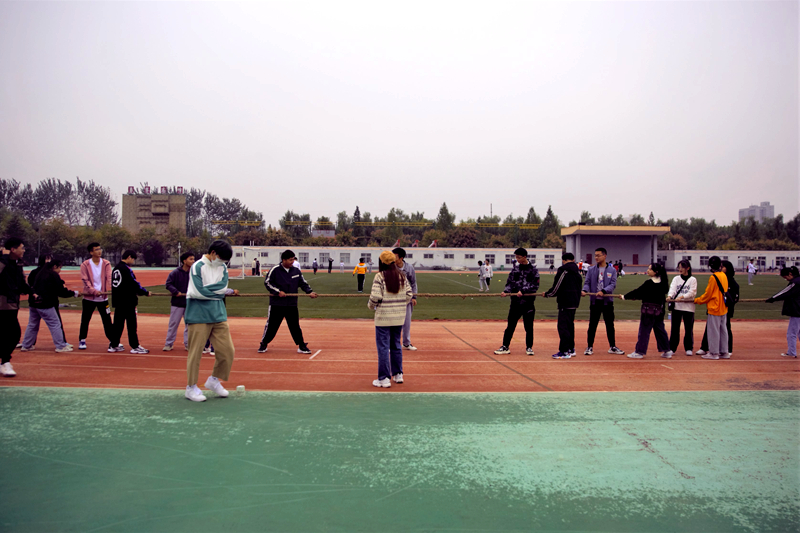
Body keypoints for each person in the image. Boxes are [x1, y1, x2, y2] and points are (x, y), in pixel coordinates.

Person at [184, 240, 240, 402]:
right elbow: (197, 292)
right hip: (198, 314)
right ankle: (191, 387)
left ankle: (214, 380)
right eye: (221, 258)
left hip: (218, 313)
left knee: (227, 351)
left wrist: (214, 290)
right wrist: (220, 292)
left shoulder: (223, 268)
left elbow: (222, 286)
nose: (223, 262)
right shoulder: (197, 266)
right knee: (195, 353)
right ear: (213, 253)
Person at [368, 250, 414, 388]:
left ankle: (384, 378)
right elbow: (409, 294)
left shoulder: (379, 276)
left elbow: (375, 297)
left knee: (383, 347)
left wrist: (371, 306)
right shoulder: (402, 276)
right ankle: (398, 374)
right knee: (396, 345)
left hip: (383, 317)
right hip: (398, 317)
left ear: (382, 262)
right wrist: (400, 304)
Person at [259, 249, 318, 354]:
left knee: (295, 325)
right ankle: (264, 343)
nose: (292, 262)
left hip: (291, 303)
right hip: (277, 304)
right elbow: (268, 283)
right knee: (272, 325)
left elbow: (303, 283)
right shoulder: (275, 270)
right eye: (290, 260)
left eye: (293, 259)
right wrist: (278, 292)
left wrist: (310, 292)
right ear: (284, 260)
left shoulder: (296, 271)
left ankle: (301, 345)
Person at [21, 260, 80, 353]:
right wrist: (74, 293)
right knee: (55, 324)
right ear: (55, 266)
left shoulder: (40, 274)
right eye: (60, 268)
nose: (60, 270)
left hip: (34, 303)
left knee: (32, 325)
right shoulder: (53, 275)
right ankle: (60, 346)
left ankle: (26, 345)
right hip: (45, 304)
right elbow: (60, 291)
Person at [620, 263, 671, 359]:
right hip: (659, 312)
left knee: (644, 332)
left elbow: (638, 292)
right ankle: (667, 350)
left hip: (648, 312)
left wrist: (624, 297)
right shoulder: (663, 284)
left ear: (655, 272)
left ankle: (639, 352)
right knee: (660, 331)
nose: (647, 270)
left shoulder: (649, 283)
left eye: (650, 269)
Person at [494, 247, 540, 356]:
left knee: (528, 327)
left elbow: (535, 285)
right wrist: (506, 291)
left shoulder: (533, 270)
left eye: (519, 257)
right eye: (516, 257)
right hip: (515, 303)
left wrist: (523, 291)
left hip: (528, 303)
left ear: (524, 257)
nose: (517, 259)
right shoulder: (515, 269)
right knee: (510, 326)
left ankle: (529, 347)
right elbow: (510, 282)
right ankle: (505, 346)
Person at [582, 248, 625, 355]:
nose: (596, 257)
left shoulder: (612, 270)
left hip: (607, 302)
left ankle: (612, 347)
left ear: (604, 256)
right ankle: (589, 347)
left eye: (598, 255)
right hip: (595, 302)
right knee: (592, 325)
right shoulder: (591, 269)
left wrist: (603, 291)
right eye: (595, 255)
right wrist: (584, 290)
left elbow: (613, 284)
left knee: (609, 325)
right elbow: (587, 282)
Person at [110, 250, 152, 354]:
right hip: (127, 301)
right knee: (132, 325)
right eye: (133, 259)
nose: (133, 261)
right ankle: (135, 346)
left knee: (118, 324)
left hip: (118, 300)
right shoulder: (126, 269)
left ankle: (113, 344)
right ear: (129, 257)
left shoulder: (116, 268)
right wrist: (145, 292)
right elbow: (134, 284)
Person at [0, 237, 31, 376]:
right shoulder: (2, 262)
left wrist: (32, 291)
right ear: (13, 249)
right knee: (12, 333)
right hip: (2, 303)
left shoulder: (17, 264)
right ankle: (5, 362)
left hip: (12, 303)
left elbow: (21, 283)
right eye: (21, 247)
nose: (23, 250)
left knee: (12, 334)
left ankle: (4, 361)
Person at [79, 242, 116, 351]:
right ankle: (82, 339)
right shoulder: (85, 265)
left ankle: (113, 340)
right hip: (89, 298)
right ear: (91, 252)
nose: (99, 251)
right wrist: (94, 291)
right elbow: (85, 280)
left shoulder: (106, 263)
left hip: (103, 298)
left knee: (107, 320)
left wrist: (114, 288)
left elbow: (110, 278)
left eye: (100, 249)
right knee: (85, 319)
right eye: (96, 249)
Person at [544, 253, 582, 359]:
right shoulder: (577, 272)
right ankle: (571, 348)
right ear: (573, 260)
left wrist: (547, 294)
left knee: (563, 327)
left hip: (565, 301)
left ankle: (564, 351)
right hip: (574, 302)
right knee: (570, 325)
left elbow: (557, 286)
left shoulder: (563, 270)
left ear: (563, 260)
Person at [698, 260, 739, 356]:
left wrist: (698, 300)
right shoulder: (722, 276)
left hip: (719, 308)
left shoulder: (718, 278)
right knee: (717, 329)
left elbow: (708, 294)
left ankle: (717, 351)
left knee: (718, 330)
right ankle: (717, 350)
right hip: (720, 308)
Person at [693, 256, 729, 360]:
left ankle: (714, 353)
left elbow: (708, 294)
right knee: (723, 330)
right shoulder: (724, 275)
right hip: (723, 307)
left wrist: (697, 300)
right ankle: (724, 351)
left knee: (713, 331)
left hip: (714, 307)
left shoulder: (713, 277)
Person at [766, 266, 800, 358]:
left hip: (797, 310)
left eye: (785, 277)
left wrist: (773, 298)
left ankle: (791, 352)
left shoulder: (795, 283)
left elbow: (785, 292)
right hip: (798, 309)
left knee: (791, 333)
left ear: (790, 274)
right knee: (798, 332)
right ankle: (792, 352)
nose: (786, 279)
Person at [164, 252, 195, 351]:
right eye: (191, 259)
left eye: (193, 259)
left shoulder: (194, 273)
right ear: (184, 261)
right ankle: (169, 343)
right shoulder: (175, 273)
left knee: (189, 325)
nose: (193, 261)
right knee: (173, 324)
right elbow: (168, 284)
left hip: (190, 303)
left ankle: (188, 344)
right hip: (177, 303)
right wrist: (175, 291)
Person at [666, 260, 697, 356]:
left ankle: (688, 348)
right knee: (675, 328)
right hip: (677, 307)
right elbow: (672, 289)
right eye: (679, 267)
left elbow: (692, 292)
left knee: (688, 328)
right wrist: (670, 296)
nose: (680, 269)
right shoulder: (676, 279)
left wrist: (682, 297)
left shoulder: (692, 279)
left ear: (688, 268)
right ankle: (672, 348)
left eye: (682, 267)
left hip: (688, 307)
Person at [393, 248, 418, 350]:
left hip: (407, 299)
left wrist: (414, 297)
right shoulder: (391, 267)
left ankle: (406, 343)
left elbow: (414, 283)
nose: (392, 258)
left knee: (407, 322)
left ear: (401, 258)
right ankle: (393, 344)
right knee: (394, 322)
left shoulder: (409, 268)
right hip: (394, 299)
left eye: (395, 256)